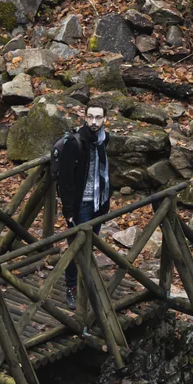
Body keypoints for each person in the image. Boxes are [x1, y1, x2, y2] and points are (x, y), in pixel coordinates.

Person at [56, 104, 111, 310]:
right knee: (76, 247)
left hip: (99, 202)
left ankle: (84, 282)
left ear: (105, 118)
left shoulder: (104, 139)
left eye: (98, 117)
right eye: (90, 117)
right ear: (85, 118)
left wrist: (106, 199)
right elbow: (65, 180)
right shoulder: (75, 142)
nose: (94, 122)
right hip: (81, 205)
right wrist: (68, 212)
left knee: (90, 245)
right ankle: (71, 287)